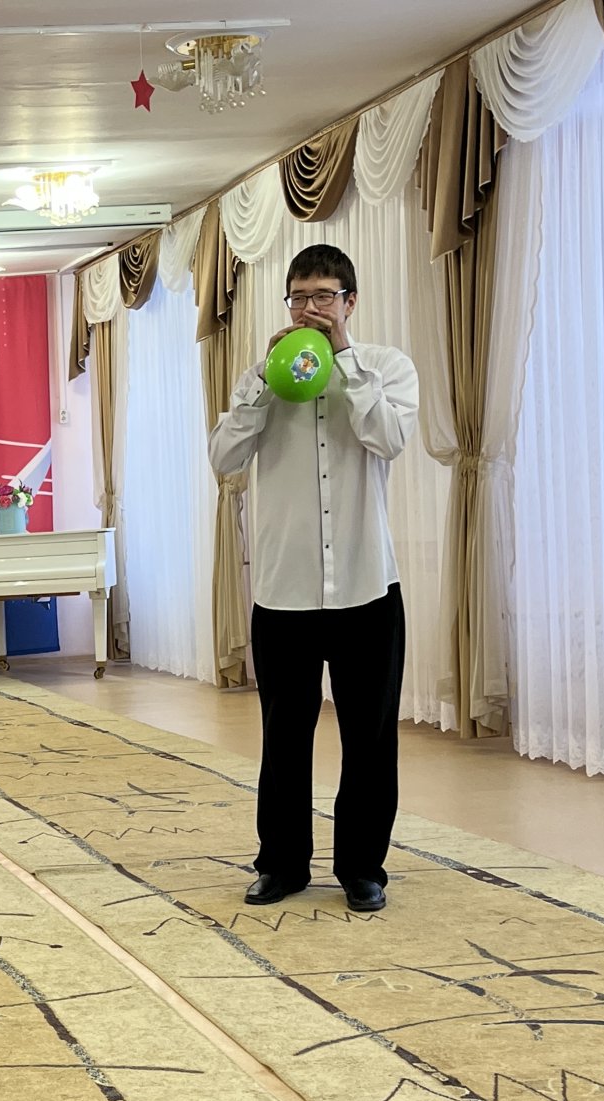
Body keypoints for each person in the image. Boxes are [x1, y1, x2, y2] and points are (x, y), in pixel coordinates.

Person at [208, 244, 418, 913]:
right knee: (283, 738)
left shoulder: (385, 367)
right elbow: (224, 457)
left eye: (324, 296)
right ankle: (281, 865)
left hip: (365, 587)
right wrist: (260, 387)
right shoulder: (263, 377)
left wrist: (345, 360)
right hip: (284, 590)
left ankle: (362, 868)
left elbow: (388, 440)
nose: (310, 309)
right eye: (299, 297)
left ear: (349, 302)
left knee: (369, 738)